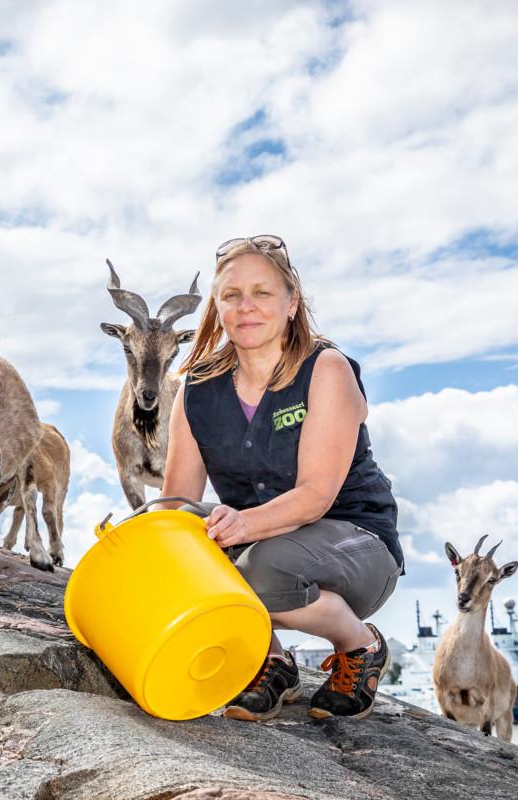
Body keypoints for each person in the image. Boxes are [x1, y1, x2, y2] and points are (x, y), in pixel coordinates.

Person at [160, 234, 404, 721]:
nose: (246, 307)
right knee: (173, 531)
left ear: (291, 303)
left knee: (259, 566)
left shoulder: (325, 369)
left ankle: (359, 645)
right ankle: (269, 660)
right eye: (231, 295)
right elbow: (175, 501)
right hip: (262, 542)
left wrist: (244, 527)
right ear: (218, 306)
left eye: (262, 293)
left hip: (356, 545)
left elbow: (316, 495)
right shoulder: (197, 390)